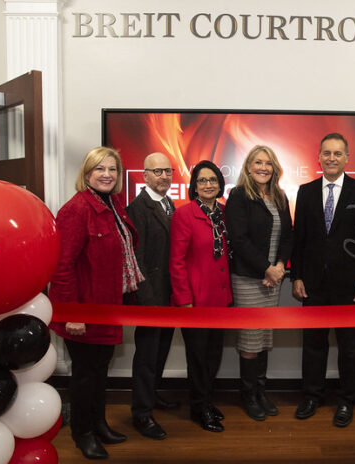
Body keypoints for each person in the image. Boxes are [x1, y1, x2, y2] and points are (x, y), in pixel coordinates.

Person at [49, 146, 141, 459]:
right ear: (87, 173)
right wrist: (72, 313)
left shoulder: (113, 203)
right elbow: (62, 265)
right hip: (84, 312)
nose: (107, 175)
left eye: (112, 169)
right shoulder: (76, 209)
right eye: (100, 169)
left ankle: (98, 424)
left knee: (101, 371)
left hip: (108, 307)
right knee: (85, 374)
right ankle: (82, 433)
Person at [290, 133, 355, 428]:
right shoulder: (306, 191)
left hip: (352, 286)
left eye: (337, 153)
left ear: (347, 158)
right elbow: (298, 239)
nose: (331, 158)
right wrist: (297, 276)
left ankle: (346, 400)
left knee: (351, 346)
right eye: (326, 153)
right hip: (313, 285)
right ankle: (312, 396)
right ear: (318, 156)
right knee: (313, 344)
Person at [226, 145, 293, 421]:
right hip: (248, 278)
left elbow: (288, 235)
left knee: (265, 336)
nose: (263, 167)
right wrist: (266, 268)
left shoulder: (279, 195)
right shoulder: (239, 195)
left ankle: (261, 392)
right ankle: (249, 396)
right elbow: (239, 240)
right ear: (248, 166)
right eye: (257, 162)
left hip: (273, 278)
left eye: (268, 162)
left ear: (274, 167)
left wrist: (278, 267)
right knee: (250, 339)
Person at [170, 160, 232, 433]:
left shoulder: (225, 212)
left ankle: (206, 401)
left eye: (213, 180)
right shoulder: (184, 215)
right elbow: (177, 261)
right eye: (202, 181)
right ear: (194, 186)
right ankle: (199, 407)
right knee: (198, 358)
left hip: (221, 300)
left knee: (214, 355)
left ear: (220, 184)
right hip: (195, 301)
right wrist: (185, 300)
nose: (208, 185)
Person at [126, 152, 179, 441]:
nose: (163, 176)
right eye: (157, 171)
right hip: (150, 299)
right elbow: (137, 259)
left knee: (159, 353)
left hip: (168, 297)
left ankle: (152, 396)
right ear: (144, 175)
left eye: (167, 171)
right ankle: (141, 414)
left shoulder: (168, 202)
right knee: (146, 357)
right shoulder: (138, 207)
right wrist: (147, 301)